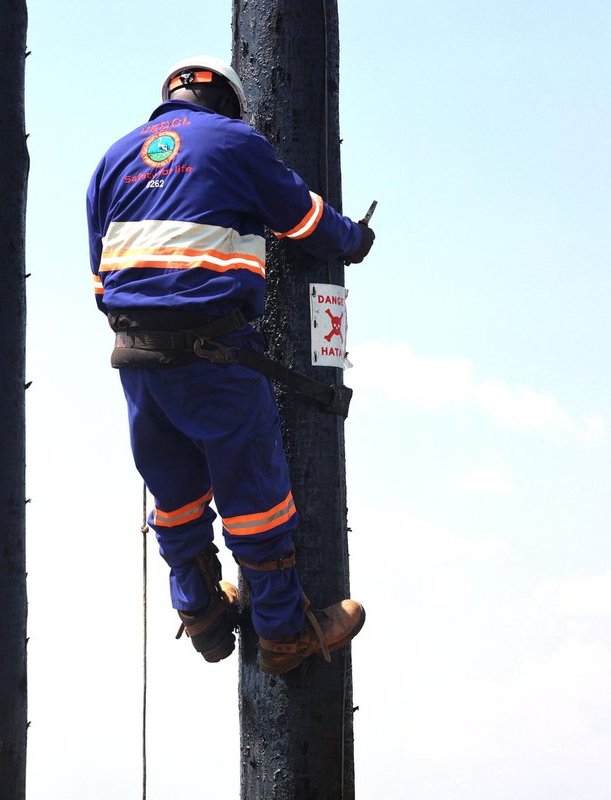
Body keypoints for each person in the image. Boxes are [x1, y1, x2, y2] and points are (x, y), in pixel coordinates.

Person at [85, 55, 374, 674]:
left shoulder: (111, 161)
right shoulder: (236, 142)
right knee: (256, 499)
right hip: (213, 355)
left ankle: (200, 613)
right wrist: (354, 241)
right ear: (227, 103)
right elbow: (304, 221)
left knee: (176, 496)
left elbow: (101, 284)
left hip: (136, 361)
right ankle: (284, 631)